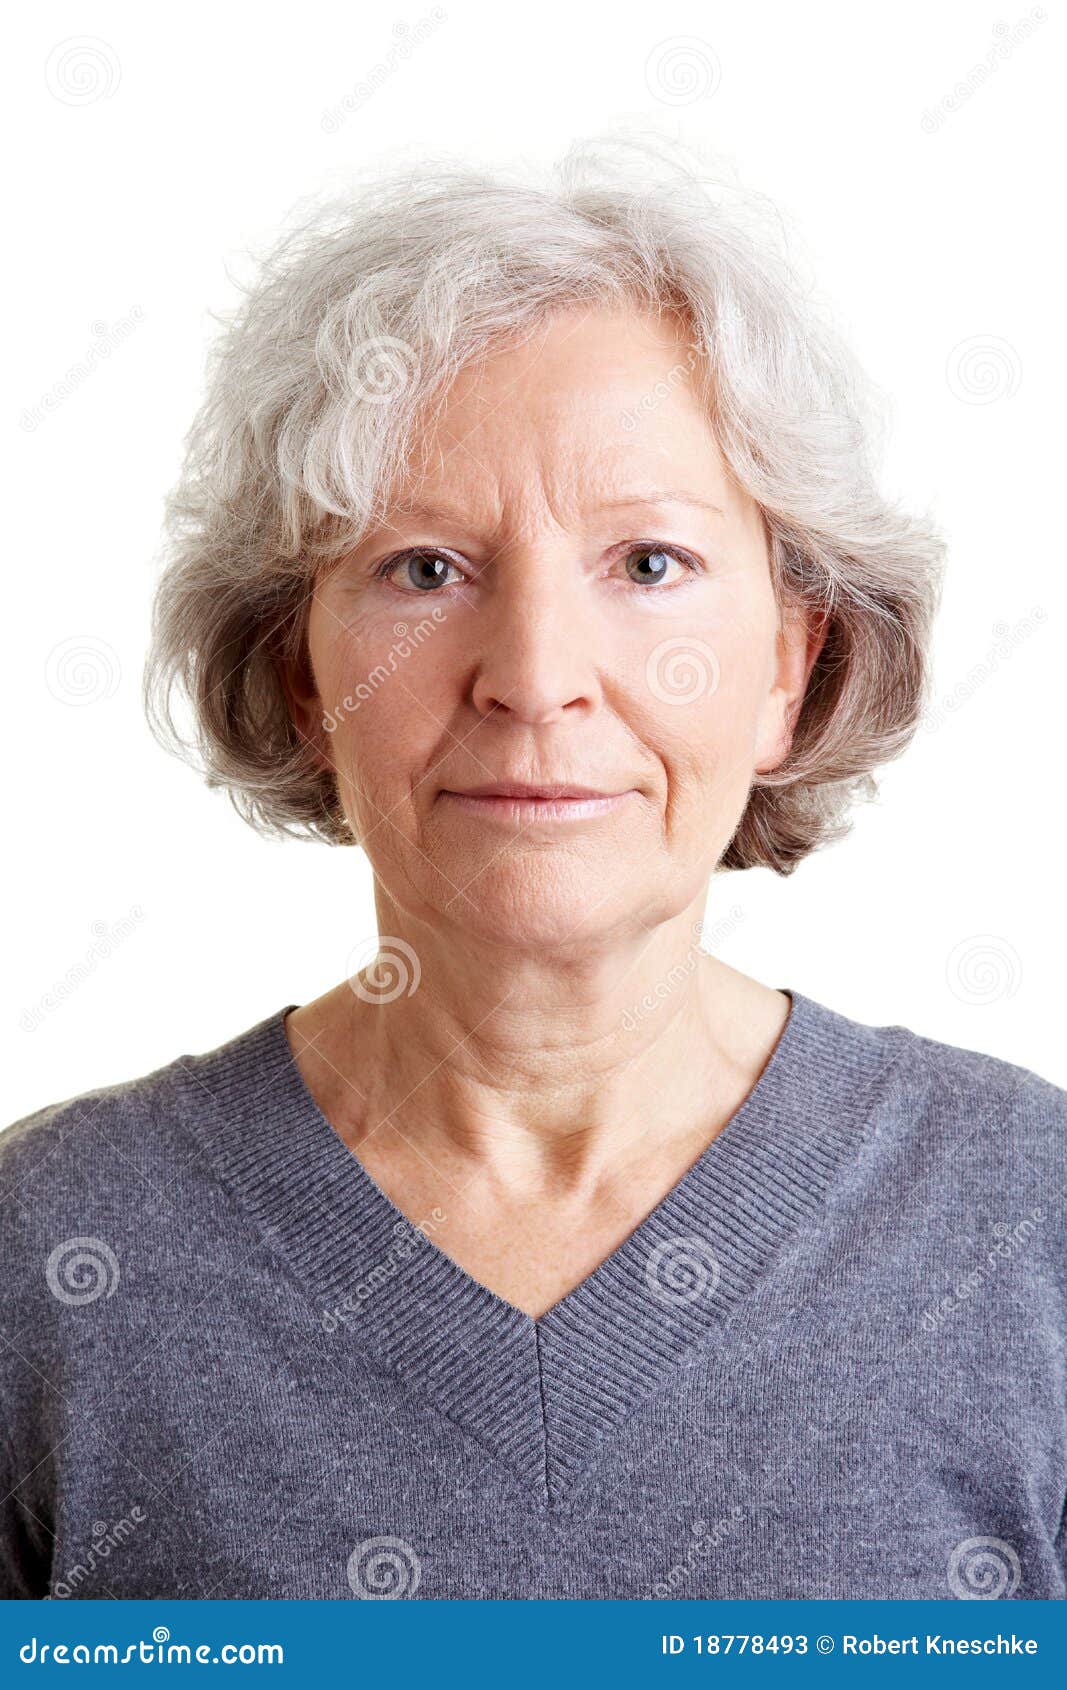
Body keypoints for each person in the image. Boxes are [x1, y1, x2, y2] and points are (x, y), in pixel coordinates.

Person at [2, 134, 1063, 1601]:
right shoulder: (54, 1253)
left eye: (647, 565)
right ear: (303, 678)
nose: (537, 675)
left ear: (784, 663)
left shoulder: (1030, 1222)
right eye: (424, 568)